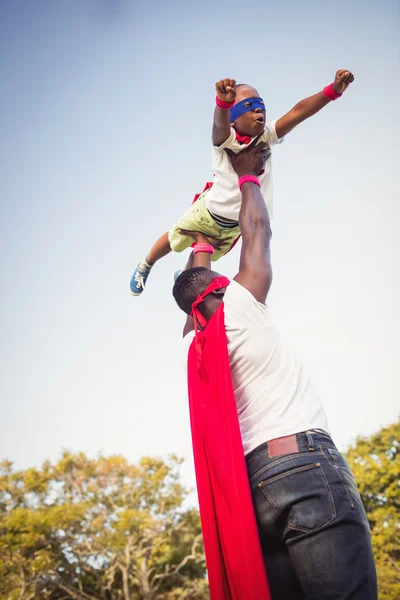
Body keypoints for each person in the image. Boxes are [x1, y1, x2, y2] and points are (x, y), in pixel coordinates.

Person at [172, 141, 377, 599]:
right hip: (302, 468)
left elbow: (191, 286)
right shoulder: (240, 306)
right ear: (220, 290)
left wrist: (203, 237)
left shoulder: (194, 343)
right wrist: (246, 177)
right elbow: (258, 230)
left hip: (253, 495)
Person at [130, 69, 354, 296]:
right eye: (248, 106)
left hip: (234, 226)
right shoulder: (226, 140)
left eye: (261, 105)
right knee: (174, 238)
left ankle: (184, 276)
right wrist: (222, 105)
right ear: (233, 120)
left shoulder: (267, 136)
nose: (259, 109)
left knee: (201, 254)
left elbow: (298, 112)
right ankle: (146, 264)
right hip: (206, 213)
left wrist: (332, 92)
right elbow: (218, 127)